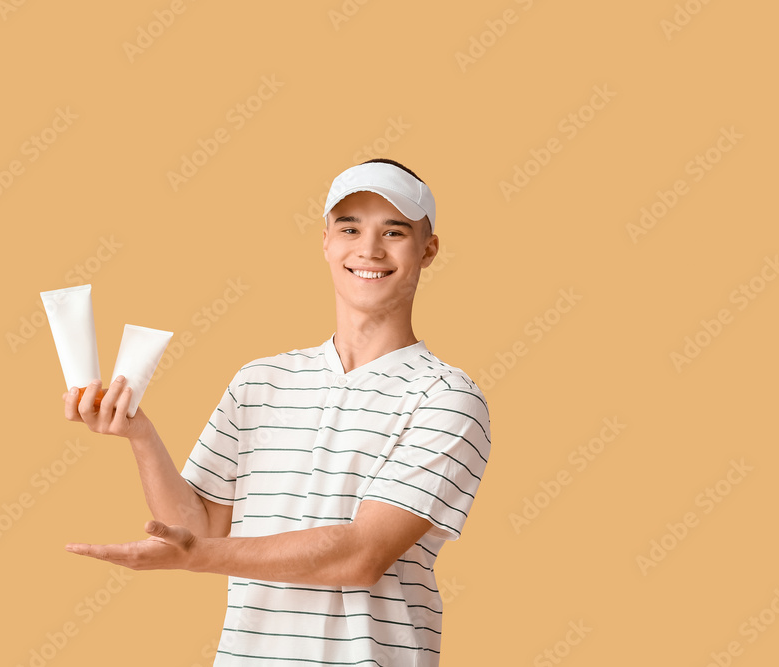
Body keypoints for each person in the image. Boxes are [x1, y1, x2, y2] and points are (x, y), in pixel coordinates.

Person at [61, 159, 491, 666]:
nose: (368, 250)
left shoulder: (446, 396)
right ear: (326, 243)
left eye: (393, 231)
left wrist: (196, 558)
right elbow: (198, 527)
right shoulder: (259, 381)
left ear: (428, 249)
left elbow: (360, 556)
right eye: (349, 228)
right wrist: (142, 436)